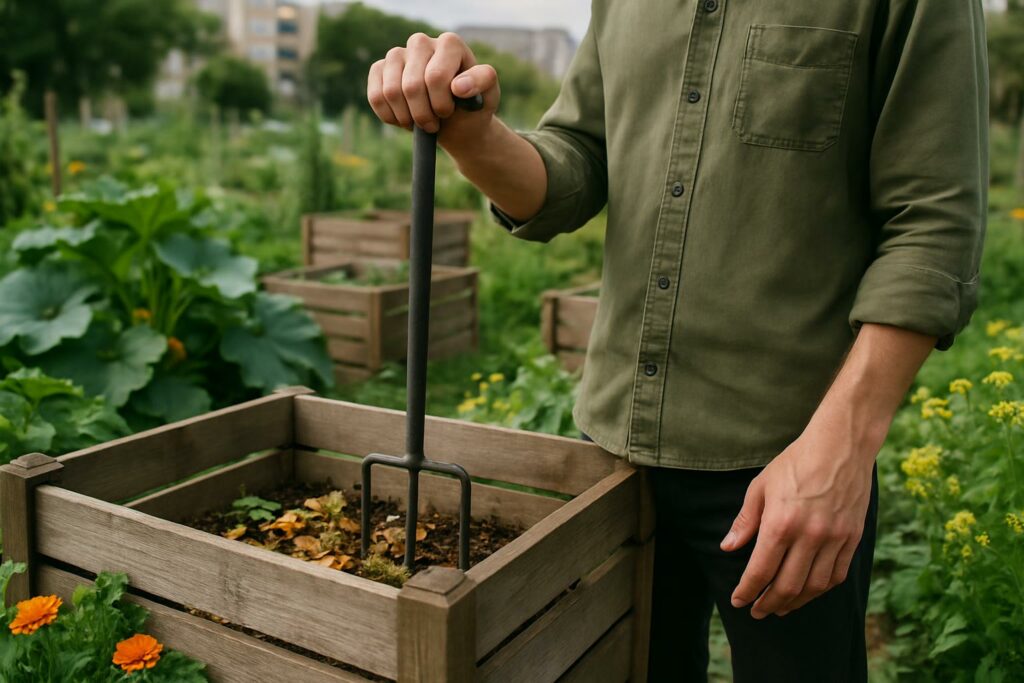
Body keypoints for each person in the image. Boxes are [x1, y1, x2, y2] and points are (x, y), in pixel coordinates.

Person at [366, 2, 988, 681]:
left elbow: (933, 222)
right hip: (614, 450)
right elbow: (577, 160)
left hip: (788, 461)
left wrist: (842, 451)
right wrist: (471, 135)